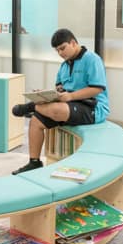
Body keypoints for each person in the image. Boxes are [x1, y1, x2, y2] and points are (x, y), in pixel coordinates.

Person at [10, 29, 109, 175]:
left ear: (73, 43)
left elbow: (97, 88)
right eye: (57, 51)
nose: (60, 53)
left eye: (62, 48)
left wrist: (70, 96)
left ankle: (32, 106)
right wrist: (47, 94)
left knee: (56, 110)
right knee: (36, 122)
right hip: (68, 105)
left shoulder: (92, 59)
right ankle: (34, 162)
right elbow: (60, 88)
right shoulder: (64, 66)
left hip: (92, 107)